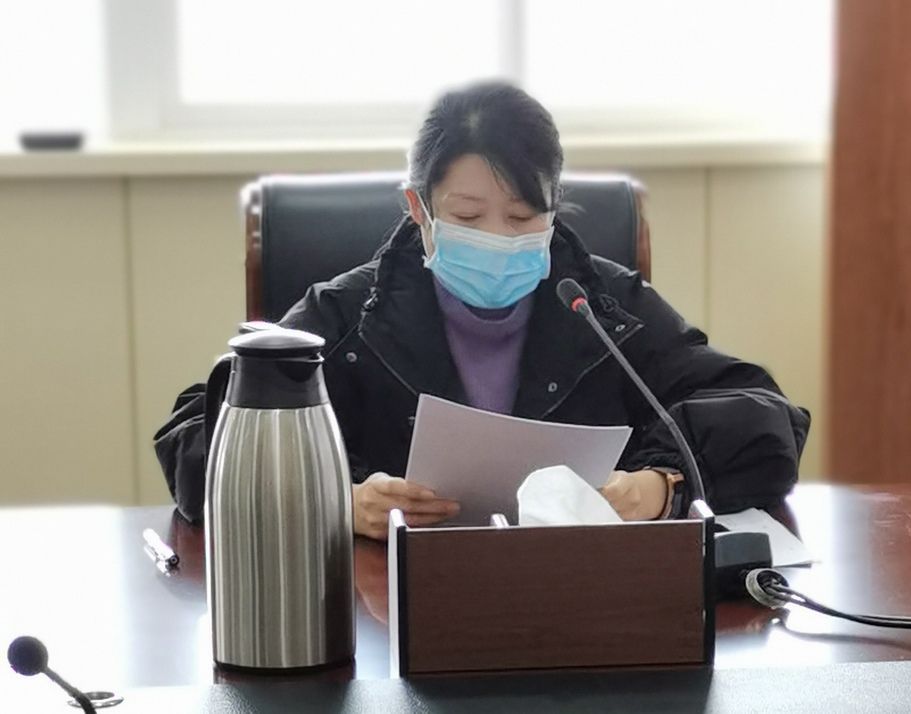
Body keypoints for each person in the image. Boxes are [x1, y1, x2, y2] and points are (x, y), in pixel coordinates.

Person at [155, 81, 810, 540]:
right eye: (468, 217)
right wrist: (334, 500)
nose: (499, 237)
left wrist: (662, 485)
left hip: (585, 604)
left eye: (524, 217)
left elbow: (764, 415)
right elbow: (196, 439)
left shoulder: (602, 307)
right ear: (418, 209)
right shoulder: (351, 314)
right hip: (387, 613)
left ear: (555, 207)